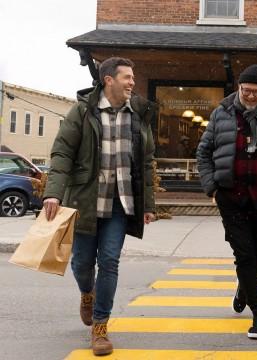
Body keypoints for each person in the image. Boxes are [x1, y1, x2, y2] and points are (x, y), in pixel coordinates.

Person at [42, 57, 156, 356]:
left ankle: (101, 326)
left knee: (109, 262)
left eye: (133, 77)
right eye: (127, 77)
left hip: (120, 203)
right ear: (109, 80)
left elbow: (145, 163)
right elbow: (62, 153)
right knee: (81, 263)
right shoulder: (82, 111)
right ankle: (86, 294)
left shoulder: (139, 115)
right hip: (85, 200)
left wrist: (148, 204)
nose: (132, 82)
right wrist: (53, 194)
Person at [196, 64, 257, 339]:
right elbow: (203, 153)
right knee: (244, 255)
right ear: (238, 88)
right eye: (245, 90)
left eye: (255, 91)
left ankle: (245, 285)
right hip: (232, 197)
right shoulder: (222, 113)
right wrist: (212, 188)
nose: (250, 96)